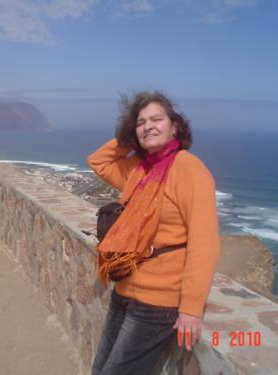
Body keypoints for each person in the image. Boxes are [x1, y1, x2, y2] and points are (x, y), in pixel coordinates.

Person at [87, 91, 220, 375]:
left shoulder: (190, 170)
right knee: (99, 368)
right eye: (140, 122)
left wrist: (192, 309)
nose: (148, 126)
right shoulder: (139, 168)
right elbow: (98, 161)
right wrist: (128, 139)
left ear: (175, 126)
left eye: (157, 119)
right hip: (124, 287)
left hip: (158, 302)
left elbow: (204, 242)